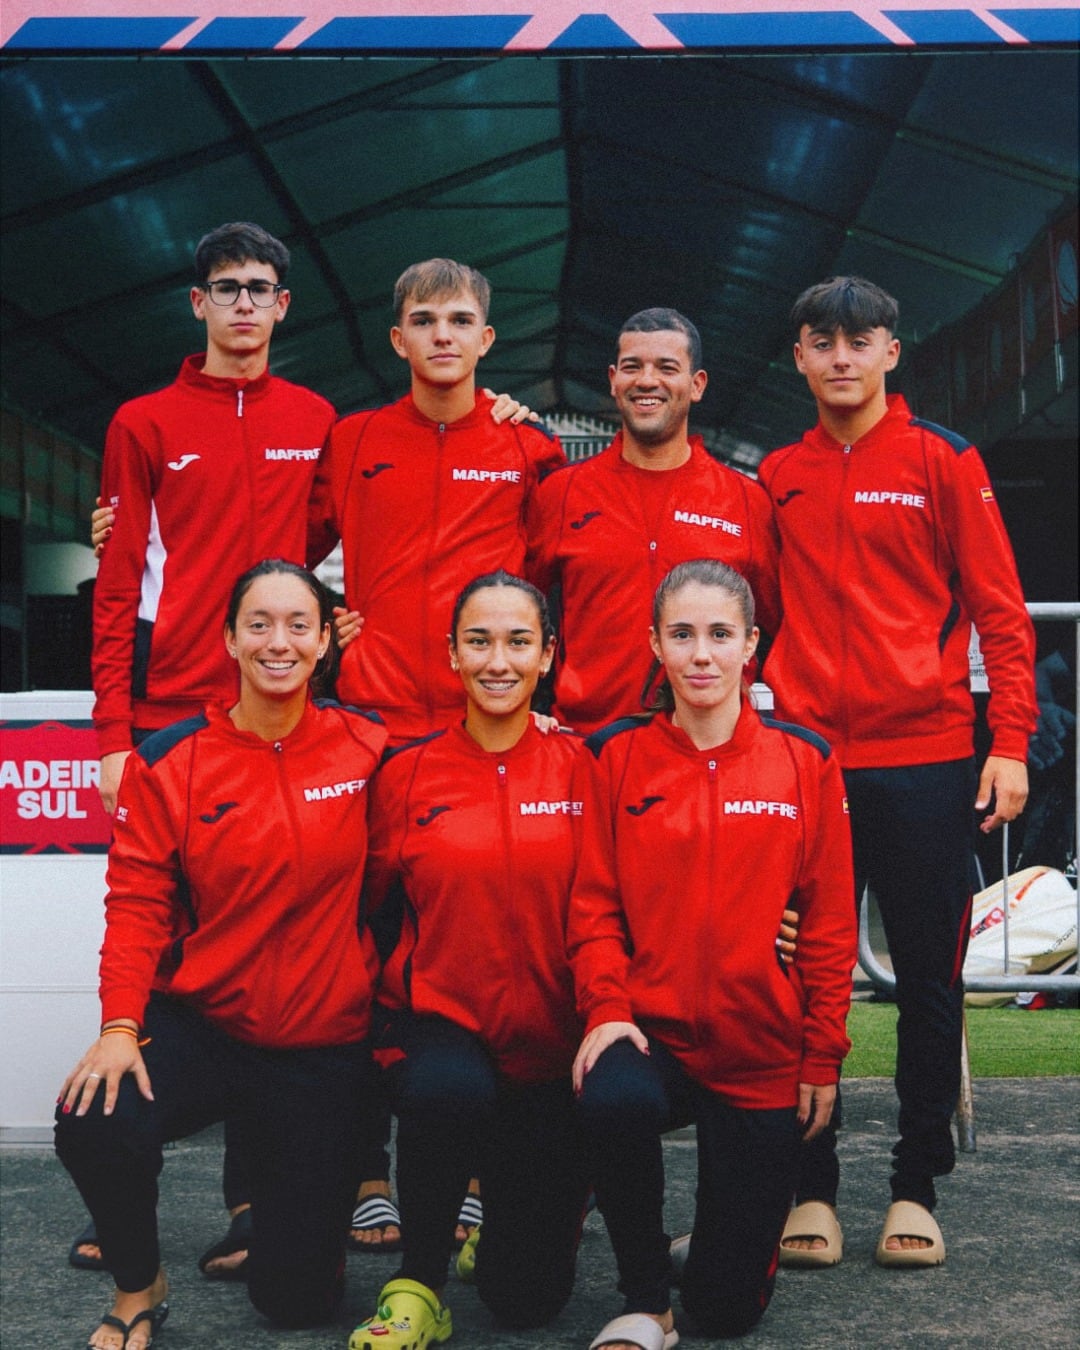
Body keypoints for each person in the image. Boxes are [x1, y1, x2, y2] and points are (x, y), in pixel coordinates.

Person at [757, 276, 1037, 1268]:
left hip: (923, 760)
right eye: (820, 339)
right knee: (796, 974)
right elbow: (750, 614)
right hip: (805, 764)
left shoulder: (942, 461)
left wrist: (1009, 741)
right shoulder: (777, 474)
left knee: (926, 980)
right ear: (798, 356)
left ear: (891, 351)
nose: (839, 355)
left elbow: (1002, 612)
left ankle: (915, 1183)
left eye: (858, 338)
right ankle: (810, 1188)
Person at [55, 560, 388, 1350]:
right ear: (230, 638)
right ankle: (141, 1285)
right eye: (260, 625)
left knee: (298, 1300)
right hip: (208, 1026)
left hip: (319, 1043)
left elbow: (458, 776)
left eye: (298, 625)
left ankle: (274, 1223)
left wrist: (537, 726)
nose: (279, 642)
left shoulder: (369, 747)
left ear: (324, 641)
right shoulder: (171, 760)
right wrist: (119, 1027)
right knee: (93, 1117)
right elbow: (136, 907)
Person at [568, 560, 856, 1348]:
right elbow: (591, 905)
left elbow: (830, 925)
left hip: (757, 1045)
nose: (701, 654)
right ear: (655, 644)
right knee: (612, 1094)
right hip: (651, 1032)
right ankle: (644, 1296)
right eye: (683, 634)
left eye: (720, 634)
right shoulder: (616, 756)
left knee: (725, 1315)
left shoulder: (804, 761)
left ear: (751, 645)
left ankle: (720, 1250)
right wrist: (606, 1009)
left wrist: (821, 1053)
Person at [349, 571, 592, 1349]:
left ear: (548, 656)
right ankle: (418, 1279)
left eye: (519, 642)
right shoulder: (405, 775)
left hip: (551, 1053)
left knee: (526, 1302)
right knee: (445, 1089)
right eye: (479, 641)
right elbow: (367, 904)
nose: (498, 660)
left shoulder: (585, 768)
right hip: (442, 1028)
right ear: (452, 654)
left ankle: (506, 1231)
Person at [310, 258, 566, 741]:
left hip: (487, 717)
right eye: (423, 321)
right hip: (375, 717)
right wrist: (326, 619)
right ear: (398, 340)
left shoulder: (528, 446)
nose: (442, 335)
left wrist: (541, 693)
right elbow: (284, 550)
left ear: (485, 339)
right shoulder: (352, 441)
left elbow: (556, 580)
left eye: (460, 321)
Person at [525, 307, 779, 734]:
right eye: (632, 367)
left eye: (666, 367)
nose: (646, 381)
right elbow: (515, 615)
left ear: (696, 385)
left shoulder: (746, 501)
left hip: (707, 749)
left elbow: (781, 630)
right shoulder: (560, 494)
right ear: (612, 379)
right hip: (589, 747)